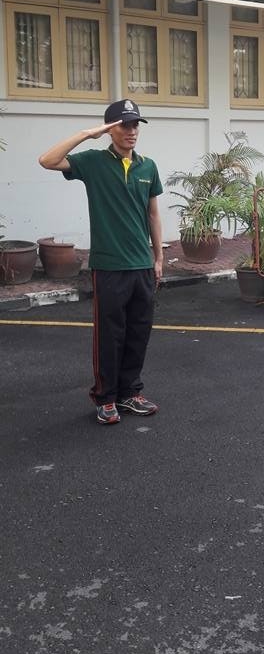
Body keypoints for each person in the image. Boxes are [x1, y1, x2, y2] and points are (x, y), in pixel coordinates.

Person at [38, 100, 163, 426]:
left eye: (135, 125)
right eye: (124, 125)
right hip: (109, 266)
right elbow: (47, 160)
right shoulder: (93, 162)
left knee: (138, 332)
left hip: (142, 265)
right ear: (110, 129)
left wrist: (158, 257)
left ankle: (130, 393)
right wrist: (86, 133)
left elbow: (153, 214)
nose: (132, 131)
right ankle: (105, 397)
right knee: (110, 335)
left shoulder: (148, 166)